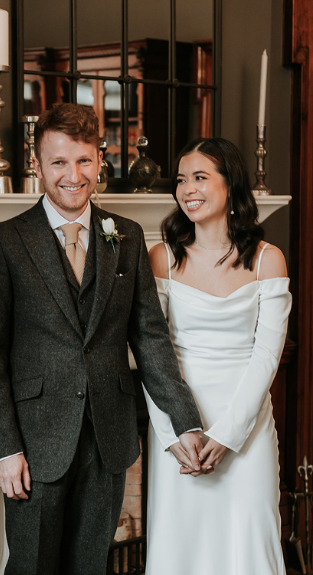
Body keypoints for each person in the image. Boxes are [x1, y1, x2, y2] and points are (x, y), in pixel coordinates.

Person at [0, 103, 204, 575]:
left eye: (82, 161)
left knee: (93, 565)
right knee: (33, 566)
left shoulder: (128, 237)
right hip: (35, 445)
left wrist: (186, 423)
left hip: (109, 437)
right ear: (36, 166)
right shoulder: (4, 242)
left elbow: (151, 338)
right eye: (58, 162)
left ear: (100, 161)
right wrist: (4, 449)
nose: (72, 175)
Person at [145, 138, 290, 574]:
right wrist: (173, 435)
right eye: (181, 180)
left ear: (231, 185)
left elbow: (266, 357)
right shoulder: (162, 258)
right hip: (178, 432)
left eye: (201, 177)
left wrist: (228, 435)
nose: (188, 188)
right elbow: (154, 354)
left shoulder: (268, 260)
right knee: (179, 547)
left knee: (250, 544)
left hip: (245, 429)